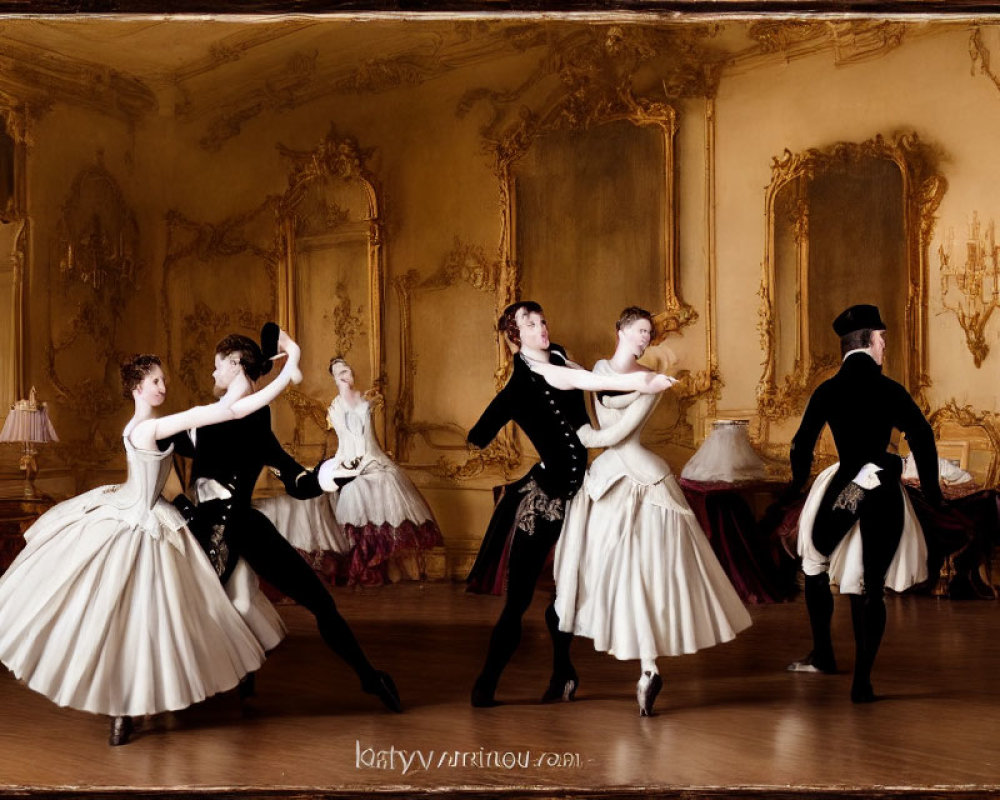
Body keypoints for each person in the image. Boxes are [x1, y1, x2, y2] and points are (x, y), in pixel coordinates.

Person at [0, 331, 302, 746]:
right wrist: (289, 372)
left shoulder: (145, 425)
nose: (164, 387)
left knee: (159, 616)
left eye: (163, 380)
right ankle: (123, 710)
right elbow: (231, 413)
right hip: (137, 522)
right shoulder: (149, 427)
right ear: (139, 387)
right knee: (132, 618)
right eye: (156, 381)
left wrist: (284, 374)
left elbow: (233, 411)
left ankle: (136, 706)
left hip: (150, 515)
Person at [160, 328, 401, 714]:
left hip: (244, 526)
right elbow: (156, 448)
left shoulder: (255, 419)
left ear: (236, 363)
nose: (212, 375)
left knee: (320, 601)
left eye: (217, 366)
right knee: (178, 612)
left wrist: (332, 473)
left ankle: (370, 678)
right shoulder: (202, 419)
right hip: (205, 533)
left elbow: (296, 480)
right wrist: (181, 505)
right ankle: (144, 703)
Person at [540, 307, 752, 716]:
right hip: (604, 482)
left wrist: (580, 434)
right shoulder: (600, 369)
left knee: (645, 575)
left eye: (648, 333)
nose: (643, 338)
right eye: (638, 330)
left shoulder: (650, 381)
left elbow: (616, 435)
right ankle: (573, 670)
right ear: (618, 329)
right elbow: (593, 386)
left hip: (640, 479)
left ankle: (648, 669)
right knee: (600, 575)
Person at [467, 300, 672, 708]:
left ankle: (564, 673)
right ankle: (485, 686)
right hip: (542, 501)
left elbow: (587, 408)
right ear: (515, 336)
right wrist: (643, 385)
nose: (540, 327)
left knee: (568, 593)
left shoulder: (562, 358)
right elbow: (478, 435)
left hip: (581, 494)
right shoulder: (522, 382)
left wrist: (635, 391)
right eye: (529, 323)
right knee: (520, 599)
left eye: (542, 319)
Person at [784, 304, 941, 703]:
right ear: (869, 341)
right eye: (883, 339)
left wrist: (797, 484)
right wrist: (933, 492)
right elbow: (922, 436)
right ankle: (862, 683)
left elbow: (801, 443)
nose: (885, 346)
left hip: (850, 488)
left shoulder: (828, 389)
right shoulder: (890, 389)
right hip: (883, 485)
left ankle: (823, 653)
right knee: (872, 586)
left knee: (816, 557)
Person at [259, 357, 443, 586]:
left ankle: (375, 563)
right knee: (350, 490)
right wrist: (344, 466)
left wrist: (369, 464)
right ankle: (358, 562)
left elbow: (370, 442)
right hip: (348, 460)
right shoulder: (335, 406)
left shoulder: (366, 401)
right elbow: (345, 445)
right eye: (339, 374)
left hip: (374, 460)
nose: (344, 376)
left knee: (382, 482)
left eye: (346, 370)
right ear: (335, 379)